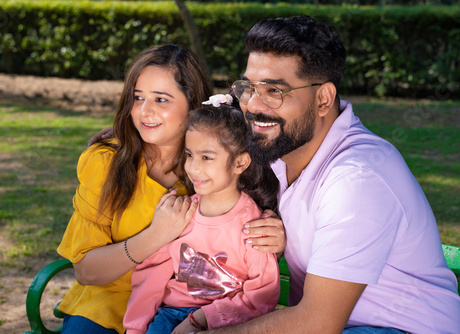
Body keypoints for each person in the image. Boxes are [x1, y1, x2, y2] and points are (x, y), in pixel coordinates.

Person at [205, 16, 460, 333]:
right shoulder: (278, 150)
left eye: (274, 91)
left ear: (323, 98)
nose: (253, 105)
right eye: (248, 87)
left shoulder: (357, 179)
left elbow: (317, 323)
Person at [56, 44, 214, 333]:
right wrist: (154, 236)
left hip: (182, 310)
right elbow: (86, 270)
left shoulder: (216, 167)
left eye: (161, 99)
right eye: (137, 97)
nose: (144, 111)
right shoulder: (105, 163)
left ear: (193, 104)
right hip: (106, 307)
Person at [123, 94, 281, 334]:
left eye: (206, 157)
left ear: (240, 163)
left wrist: (201, 319)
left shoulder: (254, 227)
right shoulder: (181, 213)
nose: (193, 168)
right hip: (170, 316)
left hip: (226, 323)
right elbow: (152, 277)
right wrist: (135, 328)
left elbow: (261, 298)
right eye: (189, 155)